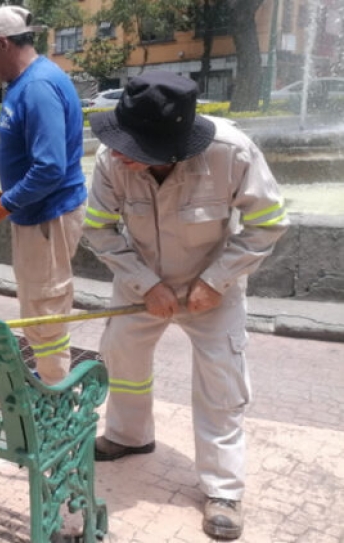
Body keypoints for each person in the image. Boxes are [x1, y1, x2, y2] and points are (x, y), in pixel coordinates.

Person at [83, 71, 289, 540]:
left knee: (222, 380)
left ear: (171, 148)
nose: (118, 152)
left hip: (211, 287)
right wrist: (144, 283)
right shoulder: (111, 159)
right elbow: (97, 228)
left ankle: (223, 489)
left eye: (133, 147)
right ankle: (129, 435)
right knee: (122, 356)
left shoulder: (232, 152)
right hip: (140, 282)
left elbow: (269, 221)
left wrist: (216, 281)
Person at [0, 6, 87, 385]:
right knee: (37, 301)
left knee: (45, 306)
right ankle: (49, 374)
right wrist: (7, 198)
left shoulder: (37, 87)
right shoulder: (28, 82)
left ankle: (54, 388)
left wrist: (2, 205)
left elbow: (50, 168)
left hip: (47, 216)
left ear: (3, 43)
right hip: (36, 214)